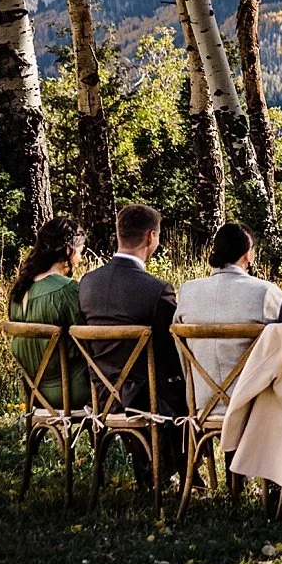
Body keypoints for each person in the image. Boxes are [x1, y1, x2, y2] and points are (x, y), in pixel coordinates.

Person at [79, 204, 186, 481]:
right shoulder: (156, 290)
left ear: (119, 233)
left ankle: (158, 468)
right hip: (145, 399)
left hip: (101, 396)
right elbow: (170, 353)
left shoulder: (88, 283)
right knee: (186, 390)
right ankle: (181, 470)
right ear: (151, 237)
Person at [174, 223, 282, 414]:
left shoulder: (188, 291)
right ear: (248, 254)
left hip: (201, 403)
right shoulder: (265, 292)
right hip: (252, 406)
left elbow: (181, 353)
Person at [8, 217, 90, 410]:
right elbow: (88, 339)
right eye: (80, 251)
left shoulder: (19, 291)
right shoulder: (66, 290)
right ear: (68, 250)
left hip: (35, 392)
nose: (80, 258)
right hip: (71, 391)